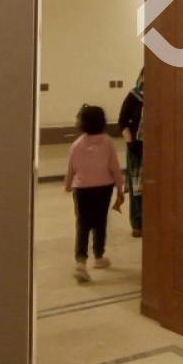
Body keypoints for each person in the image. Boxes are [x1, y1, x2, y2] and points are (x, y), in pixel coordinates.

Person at [65, 105, 124, 283]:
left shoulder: (76, 145)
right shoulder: (107, 142)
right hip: (103, 188)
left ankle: (81, 262)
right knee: (100, 222)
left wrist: (68, 185)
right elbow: (114, 167)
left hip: (82, 189)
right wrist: (120, 187)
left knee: (82, 224)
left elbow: (71, 168)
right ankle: (99, 256)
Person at [118, 70, 144, 237]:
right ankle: (137, 223)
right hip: (136, 148)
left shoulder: (162, 96)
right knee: (137, 188)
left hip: (157, 150)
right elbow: (122, 122)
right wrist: (130, 142)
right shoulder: (133, 96)